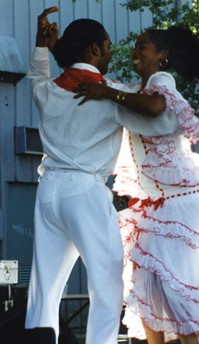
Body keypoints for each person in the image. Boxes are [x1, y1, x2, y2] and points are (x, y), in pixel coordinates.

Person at [74, 26, 199, 344]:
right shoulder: (135, 91)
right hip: (154, 209)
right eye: (135, 44)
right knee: (148, 293)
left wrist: (106, 92)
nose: (136, 50)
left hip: (178, 207)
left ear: (163, 56)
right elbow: (114, 91)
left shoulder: (162, 84)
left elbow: (155, 107)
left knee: (176, 296)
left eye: (143, 45)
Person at [25, 8, 179, 344]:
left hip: (48, 190)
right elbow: (163, 121)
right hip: (85, 191)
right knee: (107, 282)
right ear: (94, 50)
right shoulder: (110, 93)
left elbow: (38, 78)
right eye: (107, 48)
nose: (111, 54)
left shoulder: (48, 90)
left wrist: (44, 49)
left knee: (45, 288)